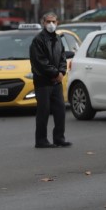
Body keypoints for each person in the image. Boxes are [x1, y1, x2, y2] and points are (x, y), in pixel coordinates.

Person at [29, 12, 71, 149]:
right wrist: (55, 73)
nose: (51, 24)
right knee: (44, 111)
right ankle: (41, 140)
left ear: (57, 22)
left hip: (56, 82)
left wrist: (62, 72)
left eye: (53, 21)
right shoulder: (38, 41)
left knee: (60, 111)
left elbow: (62, 57)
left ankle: (59, 138)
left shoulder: (58, 39)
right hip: (43, 82)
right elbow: (40, 62)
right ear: (43, 23)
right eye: (48, 21)